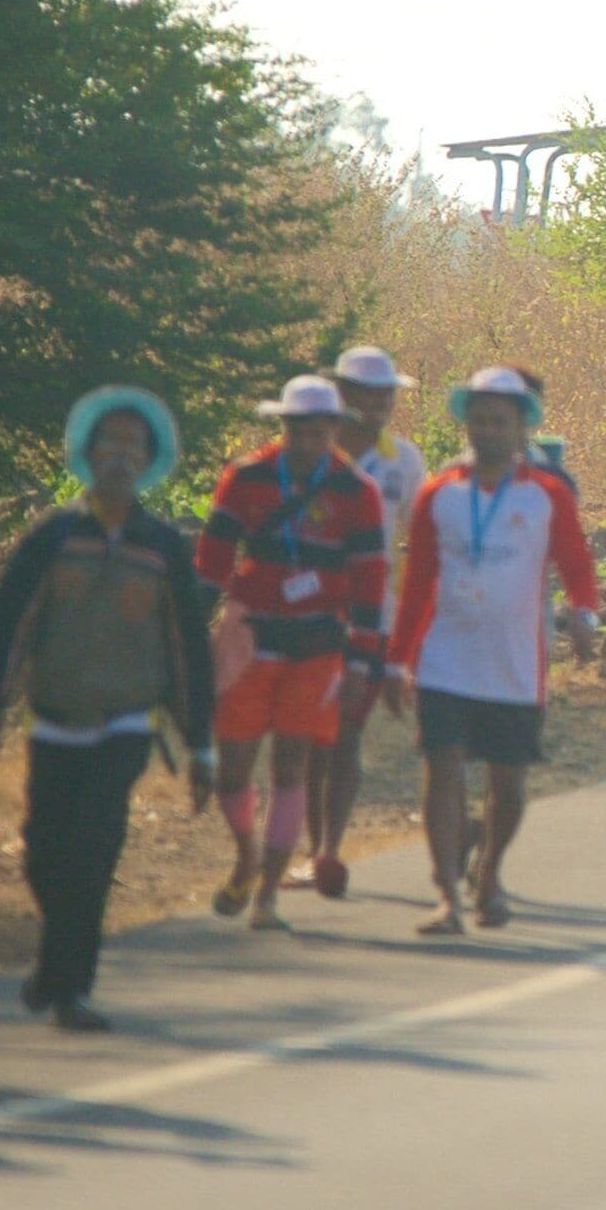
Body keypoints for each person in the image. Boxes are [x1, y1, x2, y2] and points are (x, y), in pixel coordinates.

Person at [0, 388, 216, 1032]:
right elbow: (10, 621)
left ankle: (69, 988)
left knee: (93, 849)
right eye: (108, 441)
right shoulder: (52, 537)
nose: (119, 454)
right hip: (54, 717)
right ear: (87, 453)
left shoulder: (163, 546)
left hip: (127, 721)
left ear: (148, 460)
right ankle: (59, 967)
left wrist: (201, 741)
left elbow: (187, 645)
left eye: (132, 444)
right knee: (43, 853)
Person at [391, 368, 599, 936]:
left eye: (499, 421)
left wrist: (585, 614)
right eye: (479, 420)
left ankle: (489, 873)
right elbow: (417, 584)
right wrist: (397, 658)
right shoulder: (440, 494)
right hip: (446, 657)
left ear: (521, 426)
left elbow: (577, 562)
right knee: (443, 769)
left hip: (514, 663)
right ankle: (447, 897)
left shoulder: (547, 495)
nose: (488, 431)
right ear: (467, 423)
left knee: (508, 785)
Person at [191, 376, 388, 932]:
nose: (308, 440)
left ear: (334, 429)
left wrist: (362, 660)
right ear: (283, 427)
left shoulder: (356, 490)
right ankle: (246, 854)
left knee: (291, 765)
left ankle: (268, 896)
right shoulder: (247, 478)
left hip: (319, 645)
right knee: (233, 770)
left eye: (319, 430)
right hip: (252, 638)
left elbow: (370, 581)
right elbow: (212, 562)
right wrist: (189, 634)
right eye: (297, 429)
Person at [303, 346, 424, 902]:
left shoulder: (404, 460)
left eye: (386, 395)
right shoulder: (311, 456)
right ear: (342, 397)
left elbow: (417, 538)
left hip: (375, 612)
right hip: (311, 608)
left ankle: (330, 845)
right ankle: (307, 847)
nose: (378, 405)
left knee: (347, 730)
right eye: (366, 394)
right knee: (310, 735)